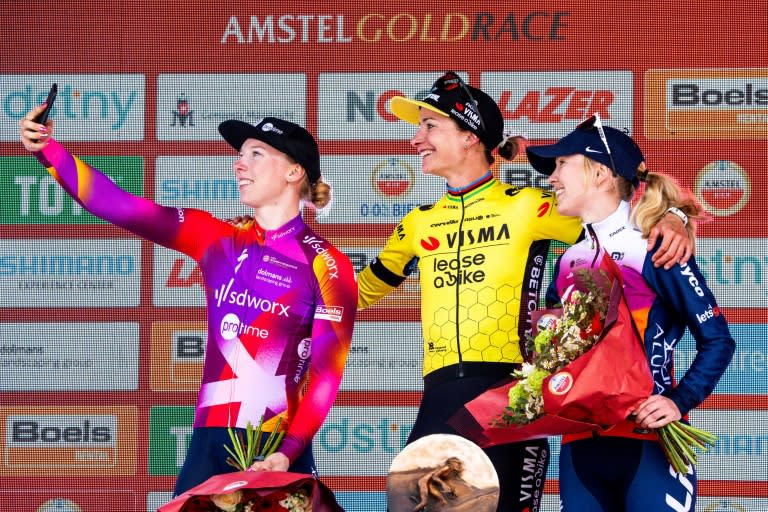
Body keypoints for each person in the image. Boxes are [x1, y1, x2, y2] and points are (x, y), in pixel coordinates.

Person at [356, 72, 693, 511]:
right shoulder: (418, 222)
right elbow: (359, 291)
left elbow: (612, 208)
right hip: (437, 397)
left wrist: (672, 217)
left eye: (429, 126)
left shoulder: (529, 206)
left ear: (470, 136)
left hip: (510, 396)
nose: (416, 138)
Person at [19, 107, 358, 496]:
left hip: (275, 449)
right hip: (207, 443)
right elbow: (117, 204)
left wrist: (286, 451)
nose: (239, 164)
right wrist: (49, 150)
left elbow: (326, 375)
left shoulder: (328, 264)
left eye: (255, 154)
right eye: (239, 154)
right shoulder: (214, 236)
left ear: (293, 172)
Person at [526, 115, 736, 511]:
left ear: (601, 173)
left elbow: (718, 340)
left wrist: (678, 400)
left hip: (649, 442)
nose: (551, 178)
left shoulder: (654, 246)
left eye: (561, 165)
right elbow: (558, 351)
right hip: (579, 448)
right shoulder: (568, 257)